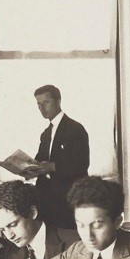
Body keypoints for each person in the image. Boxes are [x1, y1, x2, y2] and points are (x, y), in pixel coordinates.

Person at [24, 85, 90, 231]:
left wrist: (53, 167)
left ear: (58, 101)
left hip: (68, 198)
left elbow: (81, 164)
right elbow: (40, 160)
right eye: (38, 104)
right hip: (46, 199)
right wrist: (28, 169)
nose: (42, 108)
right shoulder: (46, 133)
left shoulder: (75, 129)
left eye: (46, 102)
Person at [0, 180, 77, 259]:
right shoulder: (8, 253)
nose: (9, 236)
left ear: (32, 213)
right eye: (2, 230)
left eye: (13, 224)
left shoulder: (74, 242)